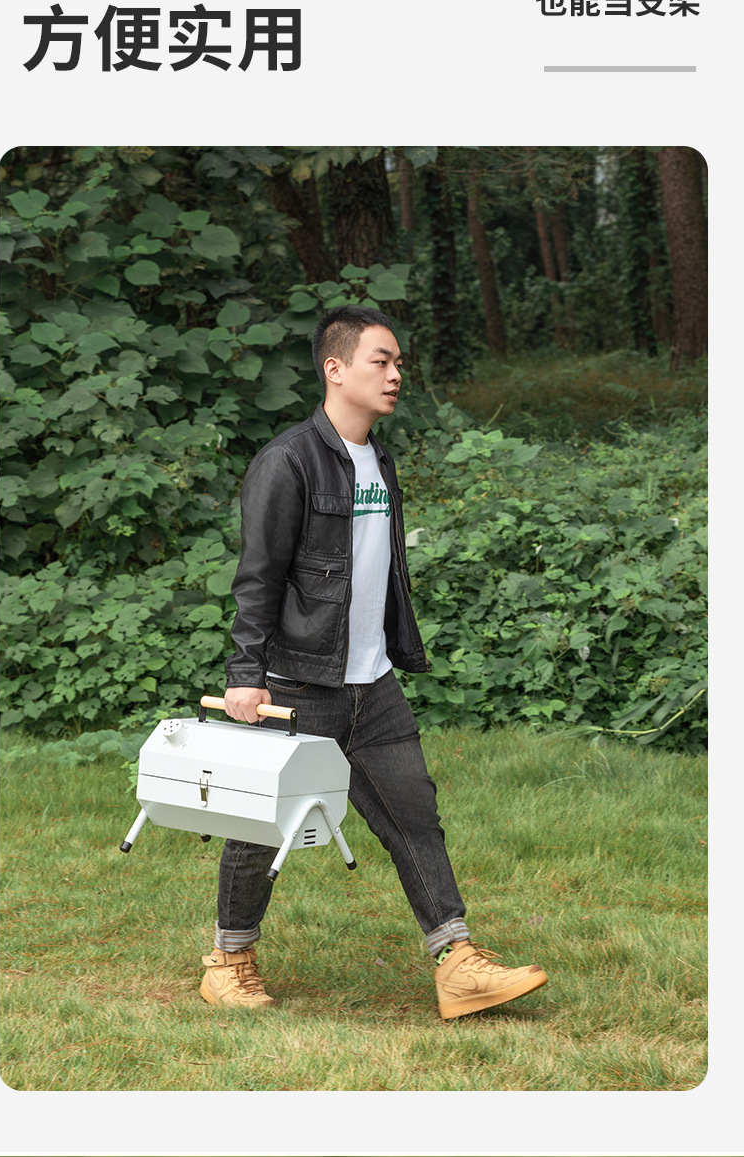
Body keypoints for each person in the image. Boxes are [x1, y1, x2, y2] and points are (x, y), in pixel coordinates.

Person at [199, 305, 548, 1021]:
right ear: (335, 369)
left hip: (373, 683)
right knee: (260, 827)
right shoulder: (288, 461)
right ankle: (229, 961)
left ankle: (458, 963)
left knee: (413, 816)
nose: (395, 375)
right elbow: (259, 576)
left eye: (398, 364)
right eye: (380, 362)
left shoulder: (377, 459)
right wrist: (245, 675)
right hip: (300, 681)